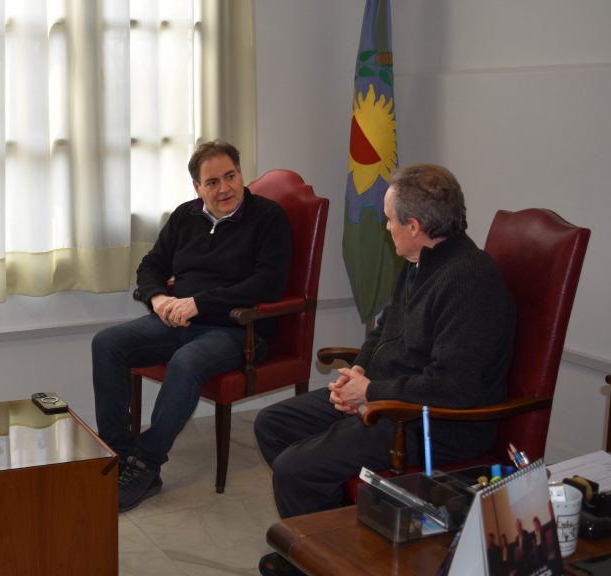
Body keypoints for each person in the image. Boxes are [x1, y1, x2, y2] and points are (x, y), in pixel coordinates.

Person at [254, 163, 515, 574]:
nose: (386, 227)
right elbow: (383, 331)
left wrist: (370, 393)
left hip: (432, 424)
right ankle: (336, 537)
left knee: (294, 471)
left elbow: (453, 388)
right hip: (387, 397)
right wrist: (357, 372)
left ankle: (321, 562)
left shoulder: (468, 282)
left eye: (390, 219)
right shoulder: (418, 259)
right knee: (273, 424)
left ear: (414, 225)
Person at [92, 140, 293, 512]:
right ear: (197, 188)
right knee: (107, 343)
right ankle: (118, 456)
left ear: (240, 173)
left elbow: (267, 283)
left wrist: (198, 303)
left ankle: (145, 465)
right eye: (212, 182)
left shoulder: (268, 217)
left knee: (187, 361)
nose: (225, 188)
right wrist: (158, 299)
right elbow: (150, 267)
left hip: (237, 330)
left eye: (230, 176)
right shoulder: (185, 216)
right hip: (175, 321)